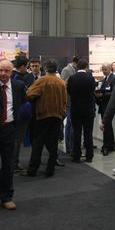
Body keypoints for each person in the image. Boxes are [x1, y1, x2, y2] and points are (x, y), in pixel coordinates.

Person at [23, 59, 67, 177]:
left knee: (38, 143)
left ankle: (33, 169)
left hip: (43, 115)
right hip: (57, 116)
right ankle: (50, 170)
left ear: (45, 68)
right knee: (53, 144)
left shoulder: (42, 80)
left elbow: (29, 94)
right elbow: (64, 100)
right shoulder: (61, 82)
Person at [0, 59, 26, 210]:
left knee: (8, 164)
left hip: (9, 129)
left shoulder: (19, 86)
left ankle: (6, 197)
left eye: (6, 70)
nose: (3, 73)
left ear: (12, 72)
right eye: (0, 70)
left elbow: (22, 103)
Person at [67, 59, 96, 163]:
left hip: (76, 109)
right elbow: (93, 91)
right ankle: (89, 156)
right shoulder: (91, 78)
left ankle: (76, 156)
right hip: (88, 110)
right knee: (88, 133)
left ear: (77, 67)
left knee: (76, 133)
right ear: (86, 67)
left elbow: (69, 91)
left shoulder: (72, 78)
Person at [95, 62, 115, 156]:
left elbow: (114, 93)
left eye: (105, 69)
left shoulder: (114, 78)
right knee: (108, 127)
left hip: (109, 106)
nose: (103, 71)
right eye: (102, 69)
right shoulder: (105, 79)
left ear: (110, 69)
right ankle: (111, 145)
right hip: (104, 105)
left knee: (106, 126)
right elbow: (105, 89)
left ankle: (106, 146)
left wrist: (102, 94)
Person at [61, 56, 79, 155]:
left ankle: (71, 147)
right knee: (70, 124)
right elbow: (64, 84)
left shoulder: (73, 70)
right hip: (68, 100)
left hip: (73, 100)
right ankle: (69, 148)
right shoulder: (66, 70)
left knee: (71, 124)